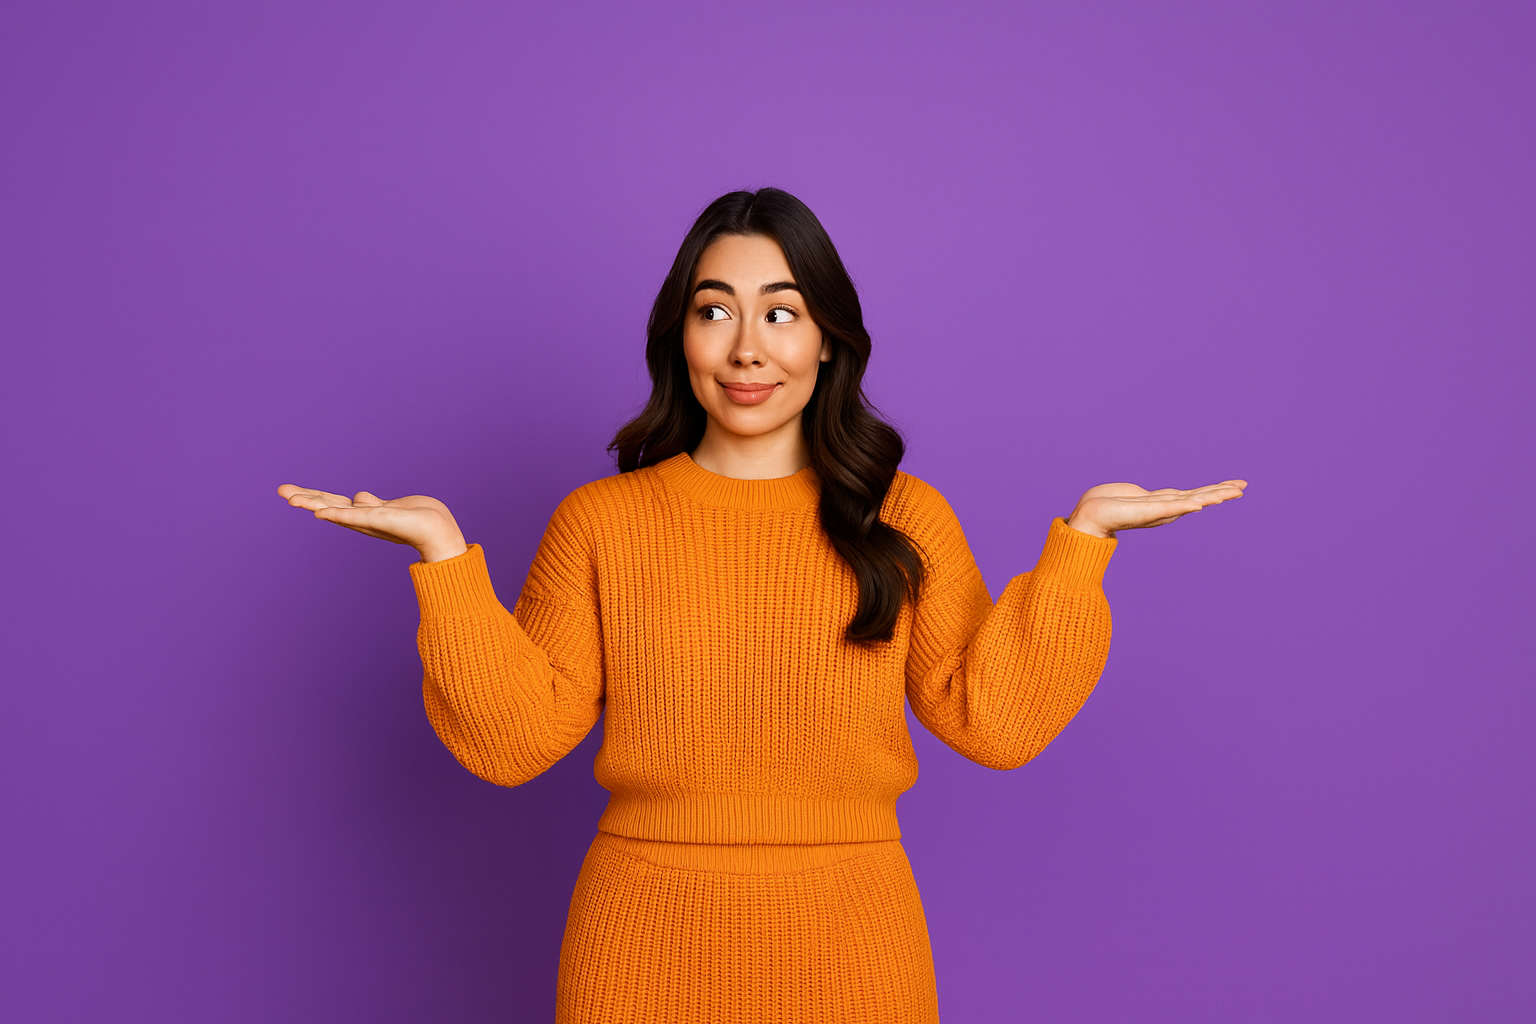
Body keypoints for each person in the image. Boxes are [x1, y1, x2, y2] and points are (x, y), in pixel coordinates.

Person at [278, 187, 1246, 1022]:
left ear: (829, 340)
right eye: (716, 310)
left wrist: (1082, 547)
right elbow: (516, 736)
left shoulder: (903, 515)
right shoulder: (602, 521)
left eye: (781, 313)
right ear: (680, 333)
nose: (747, 348)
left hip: (854, 947)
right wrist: (445, 559)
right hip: (641, 948)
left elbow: (990, 714)